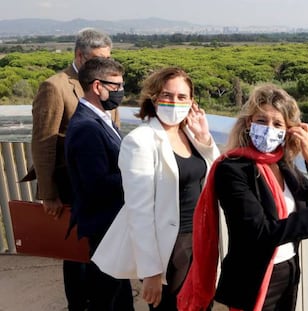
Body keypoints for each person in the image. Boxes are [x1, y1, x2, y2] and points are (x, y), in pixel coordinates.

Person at [177, 83, 308, 311]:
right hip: (250, 279)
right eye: (262, 121)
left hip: (286, 272)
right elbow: (258, 232)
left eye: (277, 124)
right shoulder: (233, 169)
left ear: (287, 131)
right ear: (248, 123)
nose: (268, 129)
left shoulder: (283, 165)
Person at [92, 67, 220, 310]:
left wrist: (205, 139)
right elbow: (138, 212)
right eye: (167, 95)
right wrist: (150, 272)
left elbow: (215, 176)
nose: (174, 102)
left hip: (202, 239)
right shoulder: (140, 141)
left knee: (202, 304)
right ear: (153, 98)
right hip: (171, 249)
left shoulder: (190, 135)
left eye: (182, 97)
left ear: (192, 102)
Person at [25, 28, 117, 311]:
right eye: (99, 58)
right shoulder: (56, 86)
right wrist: (49, 194)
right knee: (75, 252)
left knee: (99, 249)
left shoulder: (104, 83)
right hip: (69, 185)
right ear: (80, 55)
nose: (104, 63)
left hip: (100, 182)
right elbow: (43, 142)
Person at [64, 57, 134, 310]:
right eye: (116, 86)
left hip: (110, 224)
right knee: (106, 295)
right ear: (97, 86)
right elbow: (97, 184)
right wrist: (135, 173)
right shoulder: (87, 128)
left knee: (117, 292)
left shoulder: (99, 119)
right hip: (103, 225)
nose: (120, 92)